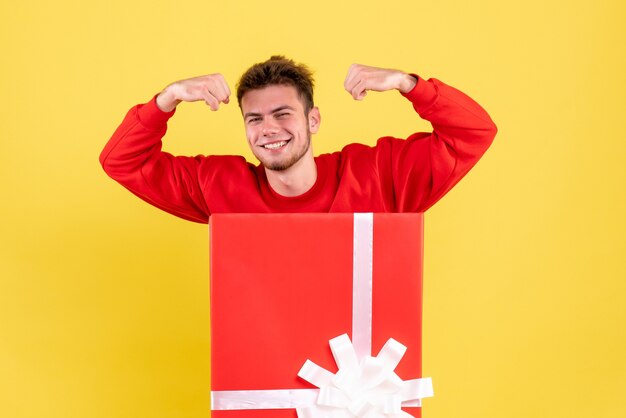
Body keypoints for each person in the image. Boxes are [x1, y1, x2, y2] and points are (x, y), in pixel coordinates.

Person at [100, 56, 497, 222]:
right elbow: (122, 161)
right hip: (263, 380)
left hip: (364, 388)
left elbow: (473, 132)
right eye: (254, 118)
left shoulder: (380, 174)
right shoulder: (220, 186)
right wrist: (166, 99)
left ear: (314, 120)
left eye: (282, 114)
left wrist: (408, 83)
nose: (268, 128)